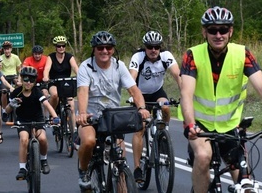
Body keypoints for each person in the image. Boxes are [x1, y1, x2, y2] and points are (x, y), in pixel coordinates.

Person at [180, 6, 262, 193]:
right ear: (204, 32)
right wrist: (190, 124)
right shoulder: (192, 55)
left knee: (244, 179)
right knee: (203, 156)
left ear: (231, 31)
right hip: (199, 125)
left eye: (223, 29)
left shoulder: (243, 54)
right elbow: (186, 93)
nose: (218, 35)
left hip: (230, 125)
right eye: (212, 30)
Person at [75, 31, 149, 191]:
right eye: (100, 47)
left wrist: (142, 108)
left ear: (113, 49)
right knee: (88, 142)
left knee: (120, 159)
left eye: (108, 47)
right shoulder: (85, 67)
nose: (104, 51)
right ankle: (83, 171)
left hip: (113, 119)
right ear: (94, 49)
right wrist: (82, 113)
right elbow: (82, 91)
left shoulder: (119, 66)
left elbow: (134, 90)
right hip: (90, 117)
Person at [128, 30, 182, 182]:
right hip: (140, 94)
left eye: (156, 47)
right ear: (145, 47)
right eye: (150, 47)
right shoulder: (138, 57)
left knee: (165, 107)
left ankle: (162, 133)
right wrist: (137, 102)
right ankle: (138, 168)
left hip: (157, 92)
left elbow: (178, 75)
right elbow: (131, 79)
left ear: (160, 47)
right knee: (140, 128)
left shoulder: (166, 56)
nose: (153, 50)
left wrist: (184, 94)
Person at [4, 66, 60, 180]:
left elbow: (46, 104)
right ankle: (22, 168)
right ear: (22, 79)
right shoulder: (16, 92)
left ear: (35, 81)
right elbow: (6, 111)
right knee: (24, 139)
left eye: (32, 80)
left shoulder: (37, 92)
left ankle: (43, 160)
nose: (28, 82)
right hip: (23, 121)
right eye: (25, 79)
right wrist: (11, 105)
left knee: (43, 139)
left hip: (37, 119)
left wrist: (55, 117)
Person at [42, 36, 79, 122]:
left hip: (66, 82)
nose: (61, 48)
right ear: (56, 47)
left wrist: (80, 76)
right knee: (55, 95)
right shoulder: (51, 57)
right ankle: (52, 114)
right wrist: (45, 77)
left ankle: (74, 131)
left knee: (72, 107)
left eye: (63, 46)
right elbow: (47, 69)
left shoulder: (69, 56)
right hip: (54, 82)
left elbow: (75, 67)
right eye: (59, 46)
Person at [0, 41, 22, 109]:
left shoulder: (15, 57)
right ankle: (4, 109)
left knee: (20, 87)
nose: (7, 51)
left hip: (13, 76)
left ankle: (20, 106)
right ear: (3, 50)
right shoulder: (0, 58)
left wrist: (19, 80)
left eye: (8, 49)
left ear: (11, 49)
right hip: (4, 77)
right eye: (5, 49)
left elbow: (19, 70)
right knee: (4, 92)